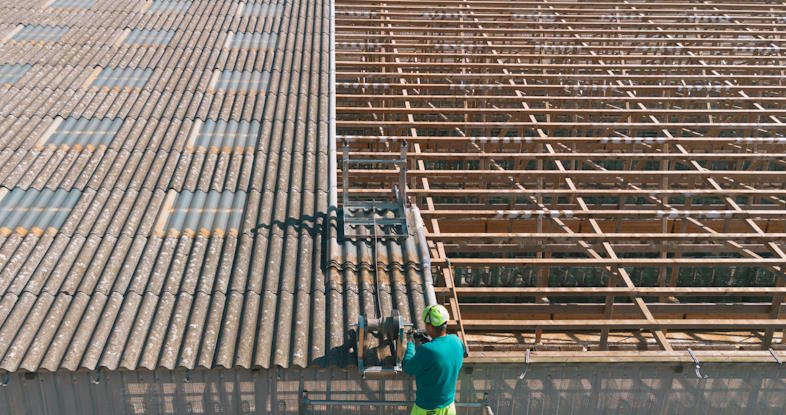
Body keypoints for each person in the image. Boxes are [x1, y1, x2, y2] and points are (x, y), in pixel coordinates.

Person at [402, 304, 465, 415]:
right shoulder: (457, 341)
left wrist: (411, 344)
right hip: (449, 407)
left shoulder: (426, 350)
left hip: (427, 409)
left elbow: (407, 367)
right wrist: (430, 341)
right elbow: (445, 354)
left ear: (430, 327)